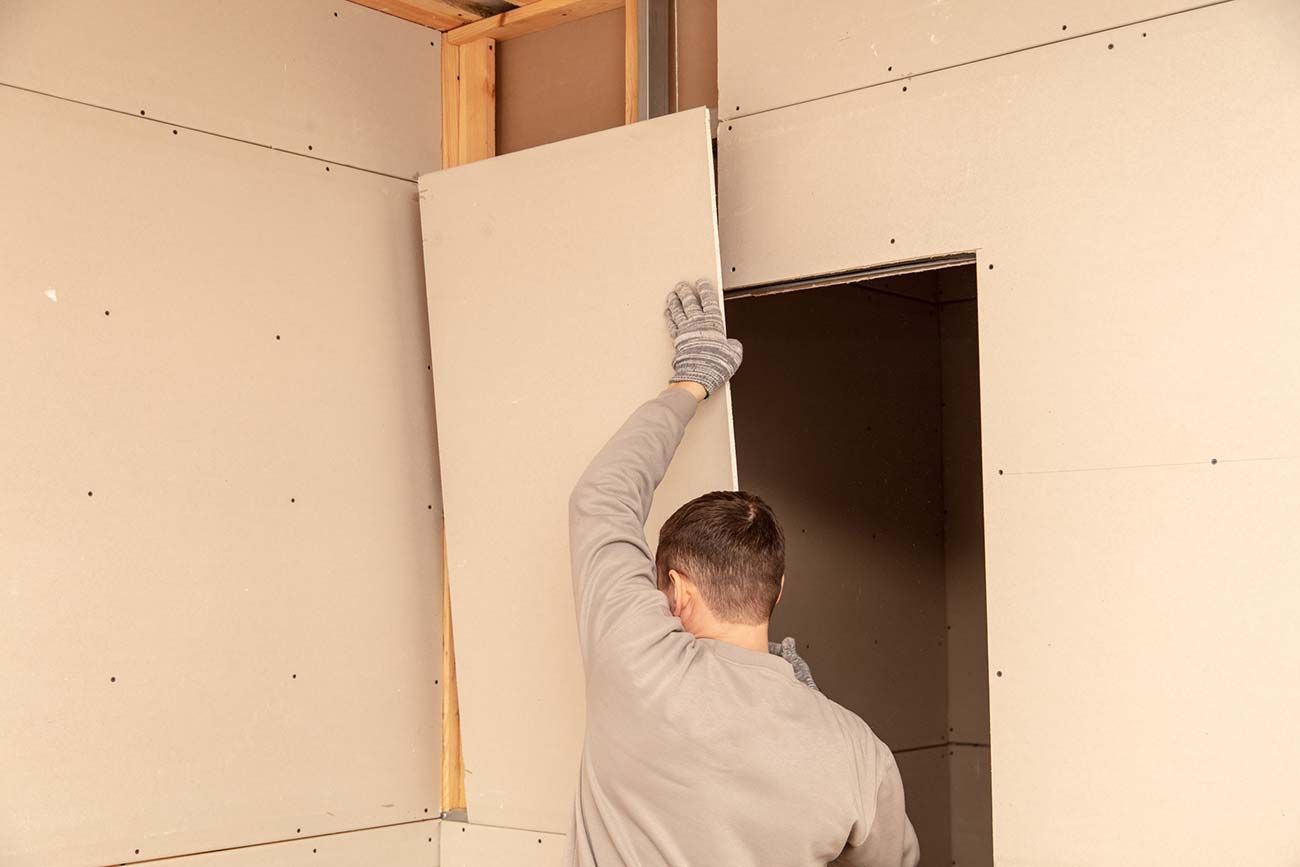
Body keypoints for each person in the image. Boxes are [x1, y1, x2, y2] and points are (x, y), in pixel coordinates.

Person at [564, 280, 920, 866]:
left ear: (675, 590)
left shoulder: (635, 662)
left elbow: (601, 499)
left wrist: (692, 380)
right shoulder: (858, 749)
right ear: (778, 588)